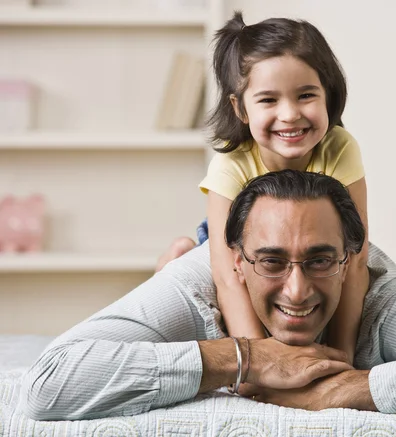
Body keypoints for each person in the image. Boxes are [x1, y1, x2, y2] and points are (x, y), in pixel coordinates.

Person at [20, 170, 396, 421]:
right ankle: (169, 255)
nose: (297, 290)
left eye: (321, 260)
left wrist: (346, 389)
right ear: (235, 261)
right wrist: (247, 357)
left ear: (350, 260)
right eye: (272, 261)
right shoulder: (198, 282)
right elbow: (48, 383)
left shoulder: (376, 290)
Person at [155, 11, 369, 364]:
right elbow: (227, 275)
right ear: (240, 109)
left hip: (303, 256)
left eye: (305, 96)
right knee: (199, 287)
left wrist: (343, 354)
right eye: (269, 100)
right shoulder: (230, 164)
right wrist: (261, 360)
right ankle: (173, 259)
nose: (289, 114)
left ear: (328, 96)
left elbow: (357, 257)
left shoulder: (340, 147)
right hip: (234, 252)